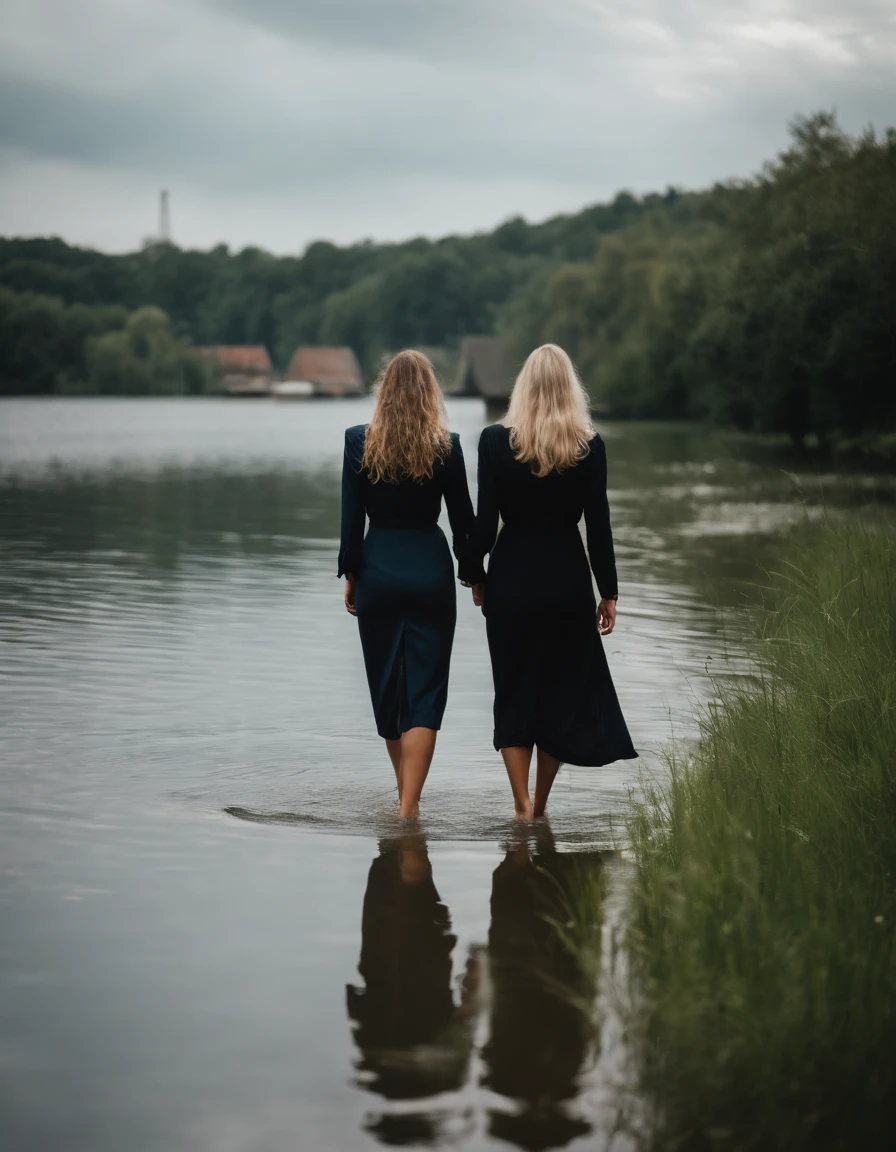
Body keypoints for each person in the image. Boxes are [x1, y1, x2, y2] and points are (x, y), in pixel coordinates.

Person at [464, 343, 637, 820]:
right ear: (569, 389)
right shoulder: (589, 447)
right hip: (566, 581)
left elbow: (484, 525)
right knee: (558, 694)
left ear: (522, 386)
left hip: (512, 580)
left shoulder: (495, 442)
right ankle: (539, 806)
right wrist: (609, 593)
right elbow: (597, 527)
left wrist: (473, 575)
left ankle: (519, 805)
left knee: (514, 691)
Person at [339, 349, 476, 818]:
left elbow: (350, 521)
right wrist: (475, 576)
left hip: (378, 569)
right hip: (430, 574)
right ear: (429, 393)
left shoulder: (359, 441)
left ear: (384, 391)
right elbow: (464, 524)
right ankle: (408, 805)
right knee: (424, 694)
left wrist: (352, 575)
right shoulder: (447, 446)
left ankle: (407, 804)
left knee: (389, 690)